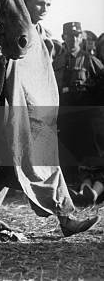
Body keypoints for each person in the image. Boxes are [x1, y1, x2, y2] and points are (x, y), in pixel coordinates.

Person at [0, 0, 100, 237]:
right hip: (19, 110)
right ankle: (66, 218)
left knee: (14, 165)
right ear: (26, 3)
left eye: (48, 4)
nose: (44, 8)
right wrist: (3, 62)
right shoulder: (13, 30)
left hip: (39, 113)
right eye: (39, 3)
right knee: (43, 162)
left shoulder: (44, 36)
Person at [56, 22, 104, 206]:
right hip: (65, 116)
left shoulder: (90, 60)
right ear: (64, 38)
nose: (73, 39)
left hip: (86, 118)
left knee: (88, 154)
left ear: (81, 38)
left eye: (76, 35)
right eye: (69, 36)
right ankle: (74, 191)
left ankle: (88, 191)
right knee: (68, 153)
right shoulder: (58, 61)